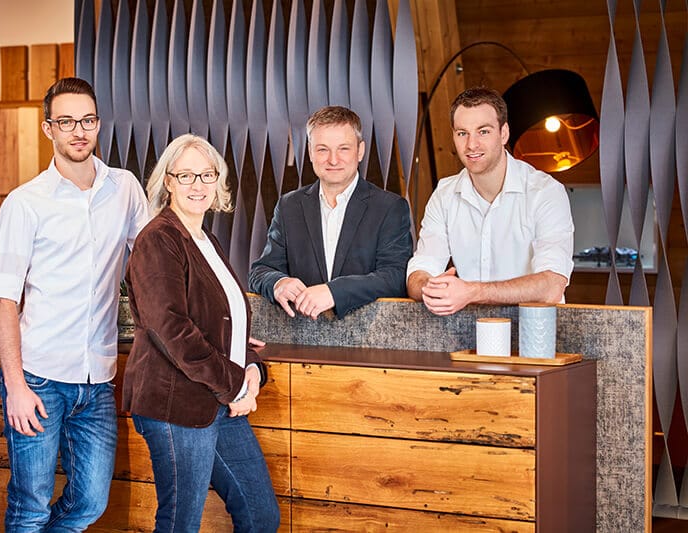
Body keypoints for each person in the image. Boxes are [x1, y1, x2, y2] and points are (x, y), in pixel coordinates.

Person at [0, 77, 149, 530]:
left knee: (91, 502)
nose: (79, 131)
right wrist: (15, 386)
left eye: (88, 120)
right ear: (48, 129)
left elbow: (157, 266)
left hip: (97, 378)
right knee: (30, 503)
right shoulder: (25, 203)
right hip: (38, 377)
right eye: (66, 122)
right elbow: (3, 300)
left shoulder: (125, 188)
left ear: (98, 124)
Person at [123, 134, 280, 532]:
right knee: (180, 524)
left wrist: (253, 369)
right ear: (168, 182)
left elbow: (225, 321)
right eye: (186, 175)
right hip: (176, 406)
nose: (197, 185)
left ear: (218, 183)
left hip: (214, 400)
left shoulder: (204, 239)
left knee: (261, 516)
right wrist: (236, 385)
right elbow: (171, 326)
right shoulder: (158, 239)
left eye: (206, 174)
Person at [406, 87, 574, 316]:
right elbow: (422, 267)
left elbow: (551, 286)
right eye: (462, 133)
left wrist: (471, 292)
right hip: (468, 336)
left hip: (535, 336)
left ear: (503, 133)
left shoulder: (545, 192)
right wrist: (431, 287)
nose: (471, 145)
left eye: (483, 132)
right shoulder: (444, 194)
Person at [249, 105, 413, 318]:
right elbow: (260, 271)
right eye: (323, 149)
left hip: (368, 341)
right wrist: (278, 283)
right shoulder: (289, 206)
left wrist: (333, 292)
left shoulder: (390, 207)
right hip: (302, 339)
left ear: (360, 151)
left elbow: (395, 276)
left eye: (343, 148)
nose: (333, 160)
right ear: (310, 152)